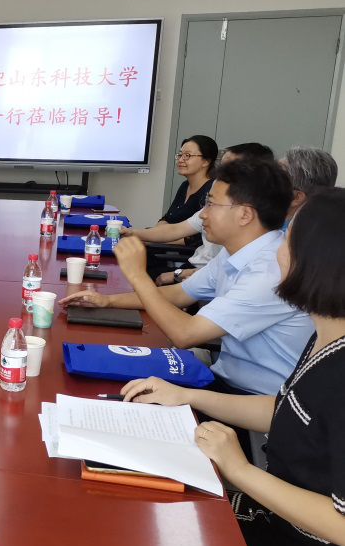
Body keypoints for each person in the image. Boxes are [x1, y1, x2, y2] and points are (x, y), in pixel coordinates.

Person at [120, 188, 345, 546]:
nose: (277, 251)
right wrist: (186, 395)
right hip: (275, 523)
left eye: (287, 240)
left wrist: (240, 470)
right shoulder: (325, 332)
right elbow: (284, 408)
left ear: (316, 260)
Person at [61, 158, 313, 397]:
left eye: (211, 204)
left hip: (256, 401)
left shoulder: (270, 271)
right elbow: (179, 293)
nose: (202, 214)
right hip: (224, 379)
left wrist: (138, 274)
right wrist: (107, 301)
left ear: (245, 215)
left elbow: (184, 334)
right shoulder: (237, 251)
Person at [123, 143, 274, 285]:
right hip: (196, 272)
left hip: (199, 274)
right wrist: (132, 232)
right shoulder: (213, 198)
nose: (203, 215)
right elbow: (176, 229)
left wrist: (175, 274)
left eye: (230, 168)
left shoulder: (251, 229)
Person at [160, 134, 219, 227]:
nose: (180, 160)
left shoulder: (211, 190)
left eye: (187, 155)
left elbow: (195, 233)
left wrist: (160, 234)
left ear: (206, 161)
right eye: (180, 155)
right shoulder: (185, 185)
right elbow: (168, 217)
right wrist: (156, 230)